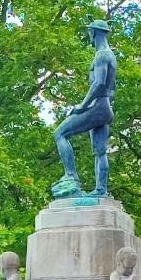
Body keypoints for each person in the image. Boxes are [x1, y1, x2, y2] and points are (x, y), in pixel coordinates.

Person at [52, 20, 117, 197]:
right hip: (105, 107)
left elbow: (99, 83)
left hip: (98, 106)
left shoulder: (102, 55)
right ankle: (100, 190)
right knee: (100, 151)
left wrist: (83, 105)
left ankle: (70, 176)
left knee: (59, 133)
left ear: (94, 33)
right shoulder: (110, 55)